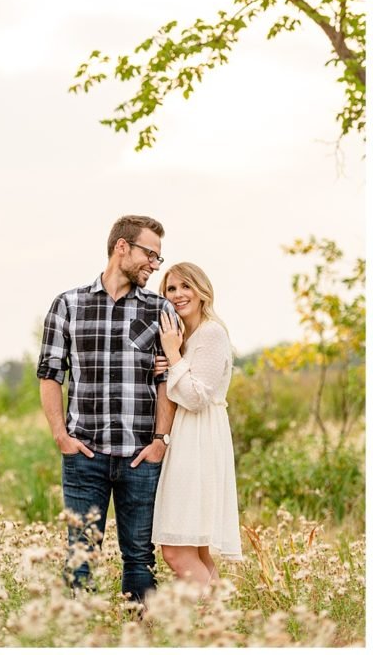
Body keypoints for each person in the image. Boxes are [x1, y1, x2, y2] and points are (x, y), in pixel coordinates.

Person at [37, 215, 177, 605]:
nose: (154, 264)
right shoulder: (68, 304)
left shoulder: (160, 309)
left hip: (140, 457)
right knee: (80, 556)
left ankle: (141, 640)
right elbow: (50, 374)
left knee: (139, 559)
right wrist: (60, 436)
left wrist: (161, 441)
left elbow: (168, 379)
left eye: (158, 258)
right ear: (122, 248)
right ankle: (78, 636)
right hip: (84, 454)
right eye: (150, 254)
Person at [152, 263, 243, 584]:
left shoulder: (211, 333)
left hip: (199, 441)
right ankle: (217, 628)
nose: (177, 295)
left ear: (202, 291)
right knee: (198, 551)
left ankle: (205, 628)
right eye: (171, 289)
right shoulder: (186, 336)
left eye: (185, 287)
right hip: (188, 438)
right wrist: (166, 364)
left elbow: (195, 397)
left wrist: (173, 357)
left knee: (177, 551)